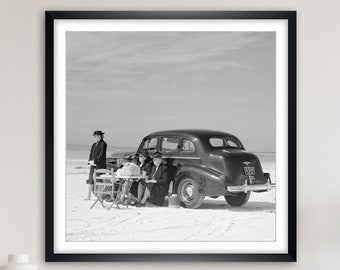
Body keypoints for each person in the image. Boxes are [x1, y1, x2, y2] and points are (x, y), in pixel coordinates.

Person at [85, 130, 107, 200]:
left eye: (98, 136)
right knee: (91, 179)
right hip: (93, 164)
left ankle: (99, 196)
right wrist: (90, 161)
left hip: (100, 165)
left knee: (99, 180)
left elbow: (101, 155)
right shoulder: (94, 144)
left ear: (101, 136)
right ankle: (88, 195)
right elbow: (91, 153)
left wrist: (95, 161)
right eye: (95, 136)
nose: (96, 137)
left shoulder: (103, 144)